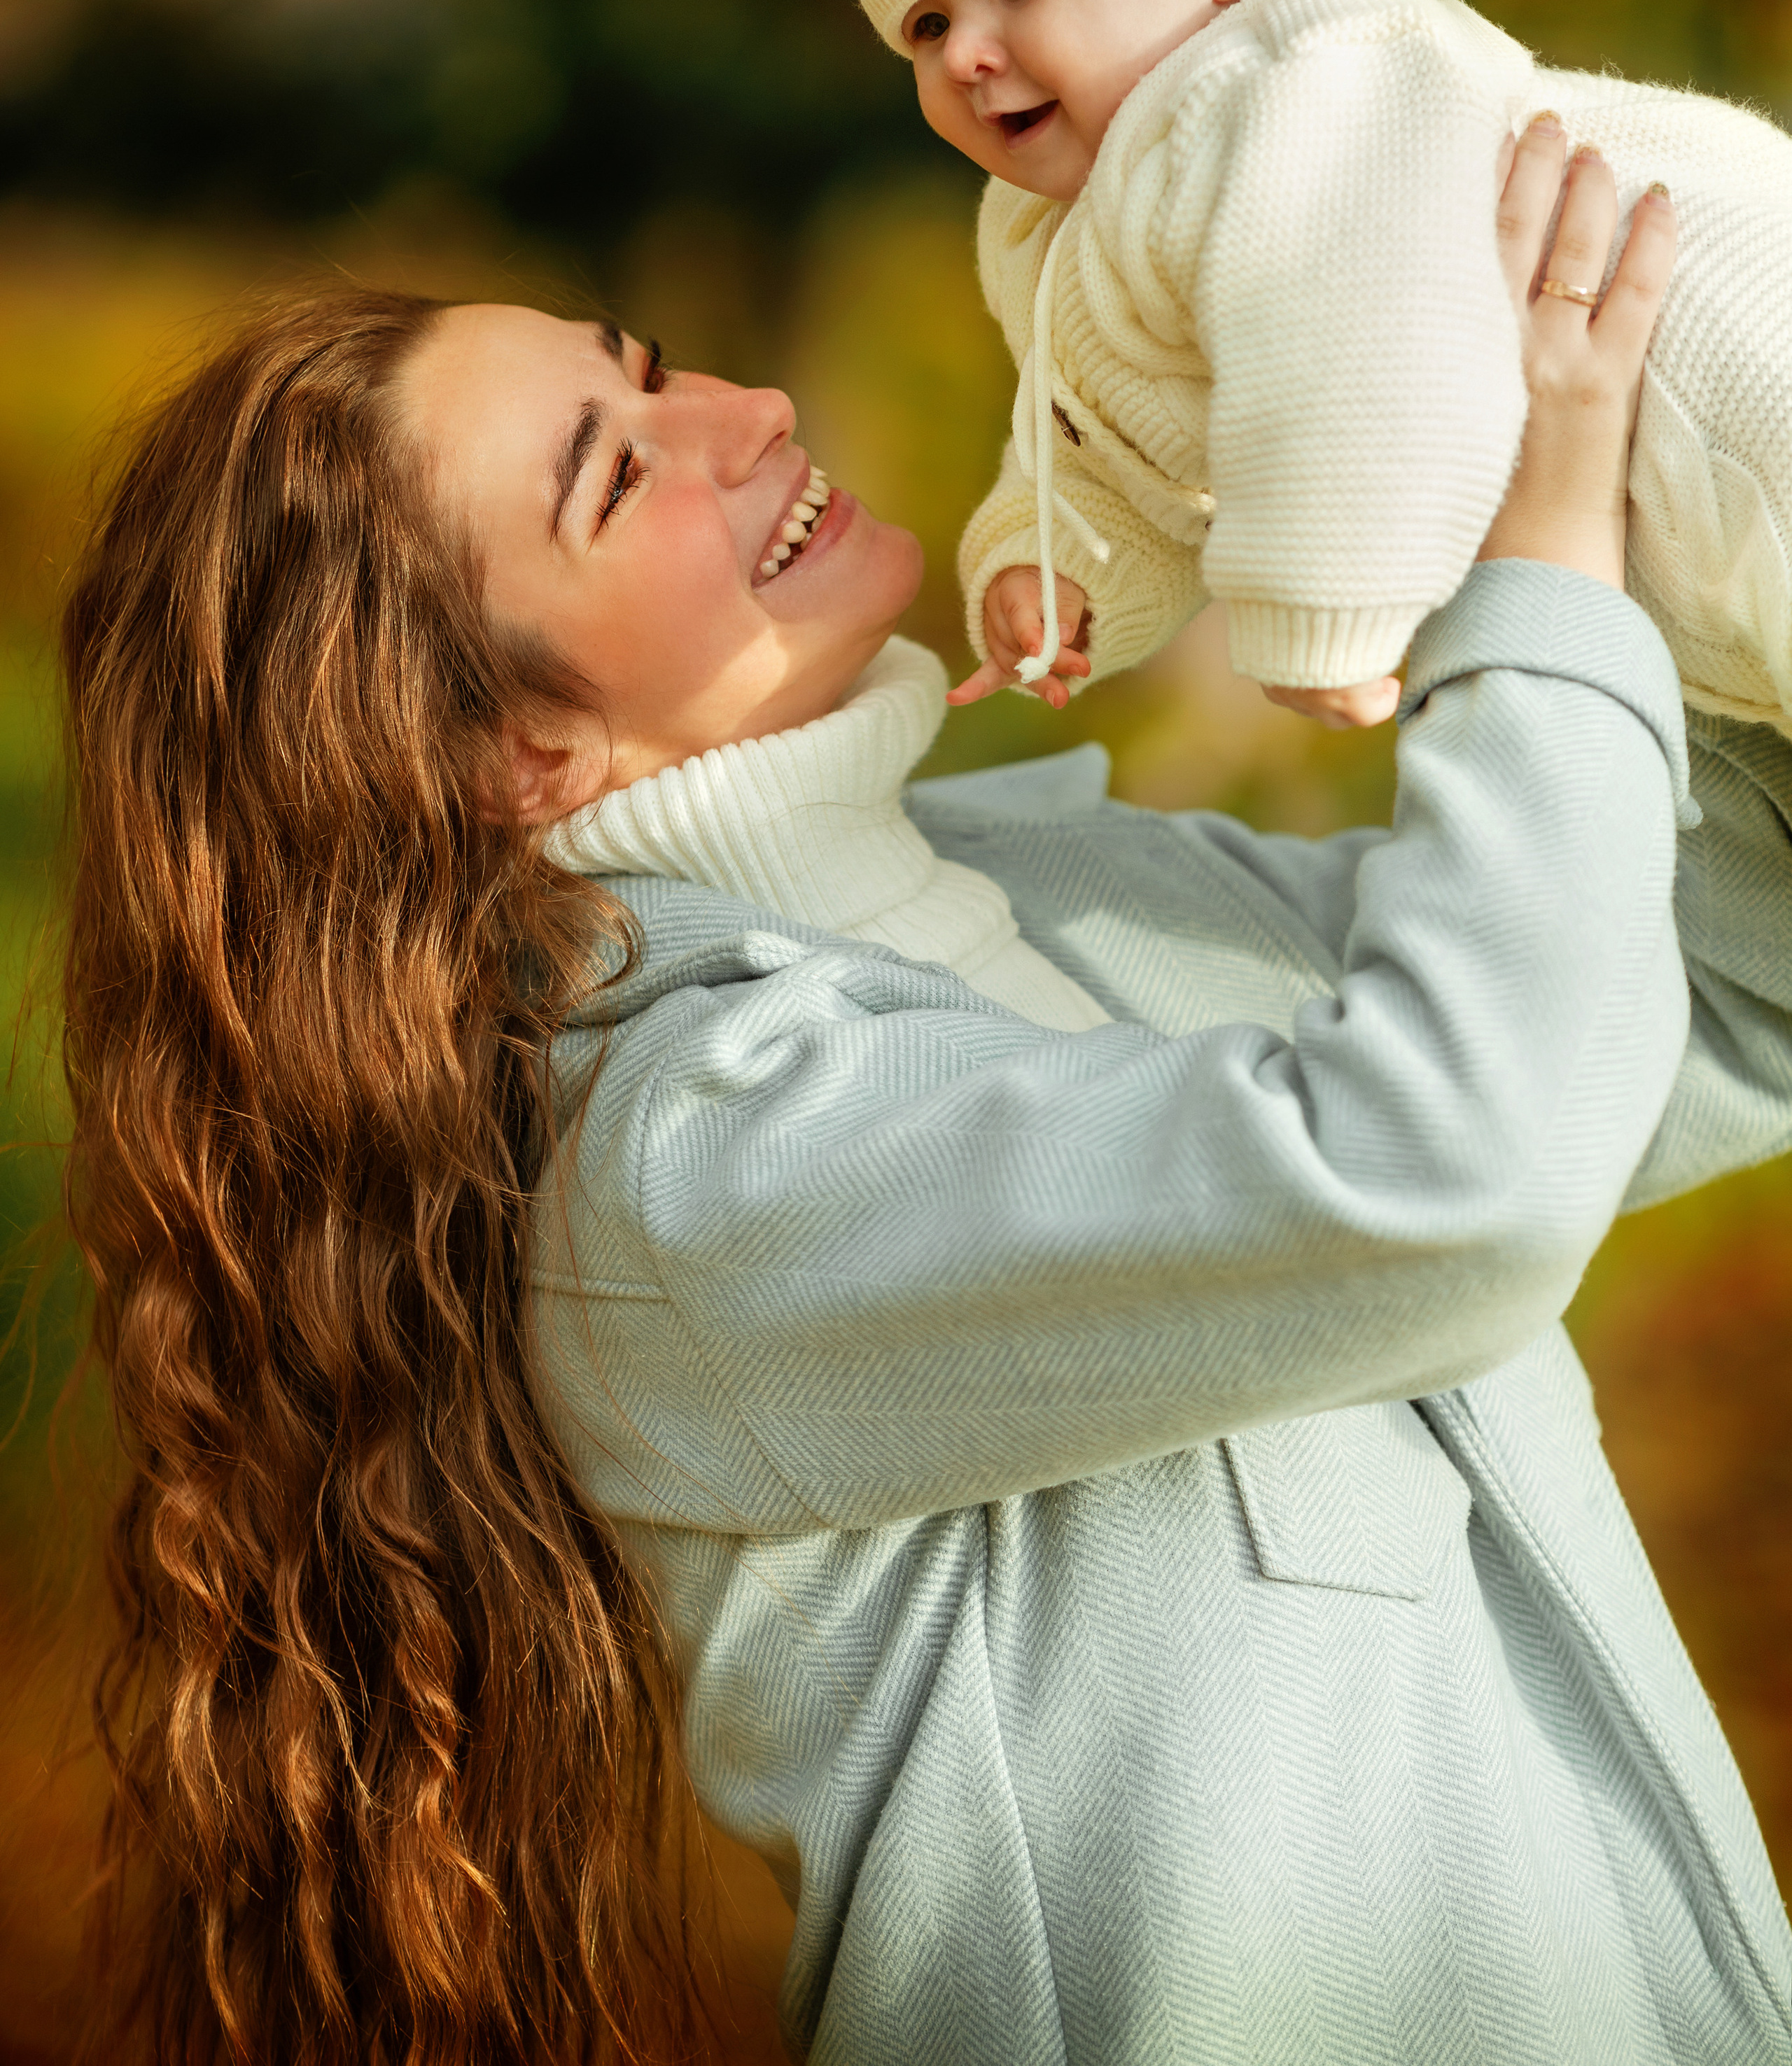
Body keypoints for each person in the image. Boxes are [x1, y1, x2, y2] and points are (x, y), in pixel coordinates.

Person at [59, 139, 1792, 2065]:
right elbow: (1453, 1171)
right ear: (511, 752)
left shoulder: (1065, 896)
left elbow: (1728, 998)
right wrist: (1538, 568)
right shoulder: (691, 1178)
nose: (740, 411)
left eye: (646, 370)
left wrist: (1728, 495)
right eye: (620, 471)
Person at [803, 0, 1792, 733]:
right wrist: (1059, 573)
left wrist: (1322, 609)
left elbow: (1364, 344)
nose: (967, 50)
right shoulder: (1056, 232)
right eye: (925, 25)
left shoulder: (1304, 82)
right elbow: (1130, 449)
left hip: (1737, 380)